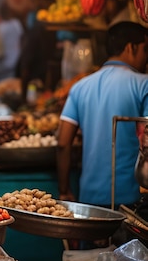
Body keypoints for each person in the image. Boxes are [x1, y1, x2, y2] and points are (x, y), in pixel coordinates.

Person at [57, 21, 148, 209]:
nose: (146, 58)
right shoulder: (143, 84)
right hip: (130, 200)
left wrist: (64, 190)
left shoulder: (80, 87)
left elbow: (63, 143)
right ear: (130, 48)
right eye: (145, 50)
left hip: (89, 200)